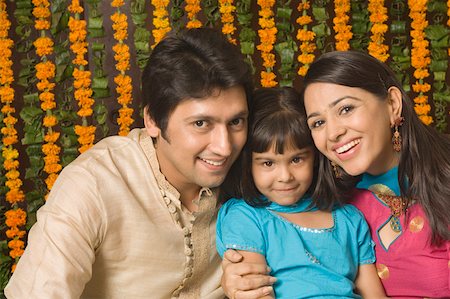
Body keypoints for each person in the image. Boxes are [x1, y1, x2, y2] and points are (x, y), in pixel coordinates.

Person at [5, 28, 253, 298]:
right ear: (153, 121)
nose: (225, 147)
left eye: (236, 122)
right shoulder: (94, 183)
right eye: (201, 123)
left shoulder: (259, 171)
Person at [222, 51, 450, 298]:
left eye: (346, 108)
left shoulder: (441, 174)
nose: (333, 133)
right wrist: (241, 283)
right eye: (318, 123)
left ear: (393, 104)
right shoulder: (336, 201)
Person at [216, 87, 387, 298]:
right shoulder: (247, 217)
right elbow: (255, 292)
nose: (285, 176)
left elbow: (375, 295)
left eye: (297, 159)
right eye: (268, 163)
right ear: (248, 164)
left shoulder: (349, 219)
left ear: (315, 157)